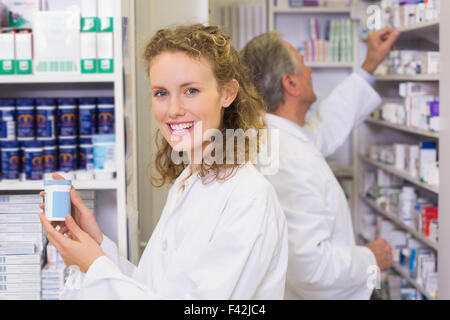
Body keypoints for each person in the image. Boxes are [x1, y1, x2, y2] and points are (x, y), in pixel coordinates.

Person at [38, 24, 288, 299]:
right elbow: (154, 290)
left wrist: (94, 266)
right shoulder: (188, 181)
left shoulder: (248, 197)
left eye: (191, 90)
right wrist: (96, 246)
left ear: (227, 93)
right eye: (161, 93)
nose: (173, 110)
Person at [240, 28, 399, 299]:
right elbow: (311, 269)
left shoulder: (276, 138)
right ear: (291, 83)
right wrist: (369, 258)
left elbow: (322, 128)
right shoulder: (289, 159)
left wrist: (369, 65)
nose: (310, 69)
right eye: (303, 62)